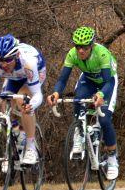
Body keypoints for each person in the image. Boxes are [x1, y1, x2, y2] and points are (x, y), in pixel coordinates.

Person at [46, 26, 119, 180]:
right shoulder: (72, 54)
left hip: (107, 83)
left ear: (91, 45)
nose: (81, 51)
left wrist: (100, 95)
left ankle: (112, 158)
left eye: (84, 47)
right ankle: (79, 134)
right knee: (79, 99)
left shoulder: (102, 54)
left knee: (105, 119)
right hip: (88, 81)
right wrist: (56, 93)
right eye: (78, 47)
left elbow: (109, 82)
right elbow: (62, 79)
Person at [0, 35, 46, 166]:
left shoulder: (28, 62)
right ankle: (16, 132)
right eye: (1, 60)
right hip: (13, 77)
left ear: (16, 55)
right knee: (3, 100)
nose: (3, 64)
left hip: (34, 74)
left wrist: (31, 105)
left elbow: (37, 95)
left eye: (8, 60)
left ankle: (30, 146)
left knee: (23, 101)